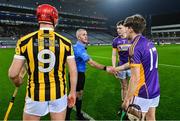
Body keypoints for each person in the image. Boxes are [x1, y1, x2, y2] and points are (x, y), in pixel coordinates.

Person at [8, 4, 77, 120]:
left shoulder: (24, 42)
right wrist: (73, 92)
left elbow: (13, 74)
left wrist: (18, 82)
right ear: (54, 19)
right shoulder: (65, 42)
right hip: (59, 94)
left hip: (35, 94)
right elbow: (73, 70)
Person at [115, 14, 160, 120]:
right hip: (154, 88)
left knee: (133, 118)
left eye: (125, 27)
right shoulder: (148, 42)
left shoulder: (134, 47)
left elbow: (135, 79)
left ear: (130, 28)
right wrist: (117, 68)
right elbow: (139, 64)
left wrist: (126, 100)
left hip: (142, 91)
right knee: (150, 117)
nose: (123, 30)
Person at [66, 28, 113, 120]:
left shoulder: (77, 47)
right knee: (74, 96)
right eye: (83, 34)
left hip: (77, 74)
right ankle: (67, 118)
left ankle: (78, 115)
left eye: (86, 34)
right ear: (78, 37)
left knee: (79, 95)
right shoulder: (80, 50)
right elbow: (91, 63)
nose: (86, 36)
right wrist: (105, 68)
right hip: (77, 75)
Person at [112, 20, 131, 115]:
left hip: (132, 66)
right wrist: (114, 67)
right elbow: (114, 55)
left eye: (120, 28)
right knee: (124, 86)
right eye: (117, 28)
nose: (118, 30)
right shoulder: (116, 40)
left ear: (126, 28)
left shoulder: (132, 38)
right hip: (121, 66)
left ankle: (131, 105)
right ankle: (124, 105)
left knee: (133, 86)